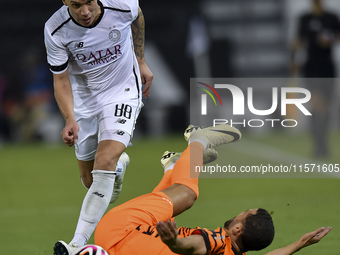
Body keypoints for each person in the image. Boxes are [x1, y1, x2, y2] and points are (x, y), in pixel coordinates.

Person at [95, 124, 332, 255]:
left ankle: (197, 140)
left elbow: (193, 246)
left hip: (120, 229)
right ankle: (174, 166)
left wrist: (174, 243)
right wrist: (299, 244)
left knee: (187, 195)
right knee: (168, 208)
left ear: (238, 228)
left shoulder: (218, 242)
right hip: (117, 243)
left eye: (244, 213)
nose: (239, 213)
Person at [44, 0, 153, 254]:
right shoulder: (55, 29)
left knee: (104, 160)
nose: (84, 11)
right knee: (89, 179)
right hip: (84, 101)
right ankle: (117, 167)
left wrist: (141, 60)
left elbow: (137, 15)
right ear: (64, 2)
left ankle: (76, 244)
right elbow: (60, 80)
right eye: (76, 5)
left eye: (89, 3)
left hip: (122, 92)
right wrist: (69, 118)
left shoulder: (121, 5)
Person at [291, 0, 340, 157]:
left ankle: (322, 144)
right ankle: (319, 145)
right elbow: (298, 41)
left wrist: (329, 39)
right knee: (317, 104)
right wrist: (294, 61)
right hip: (311, 68)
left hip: (328, 67)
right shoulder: (304, 18)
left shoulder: (332, 17)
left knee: (326, 108)